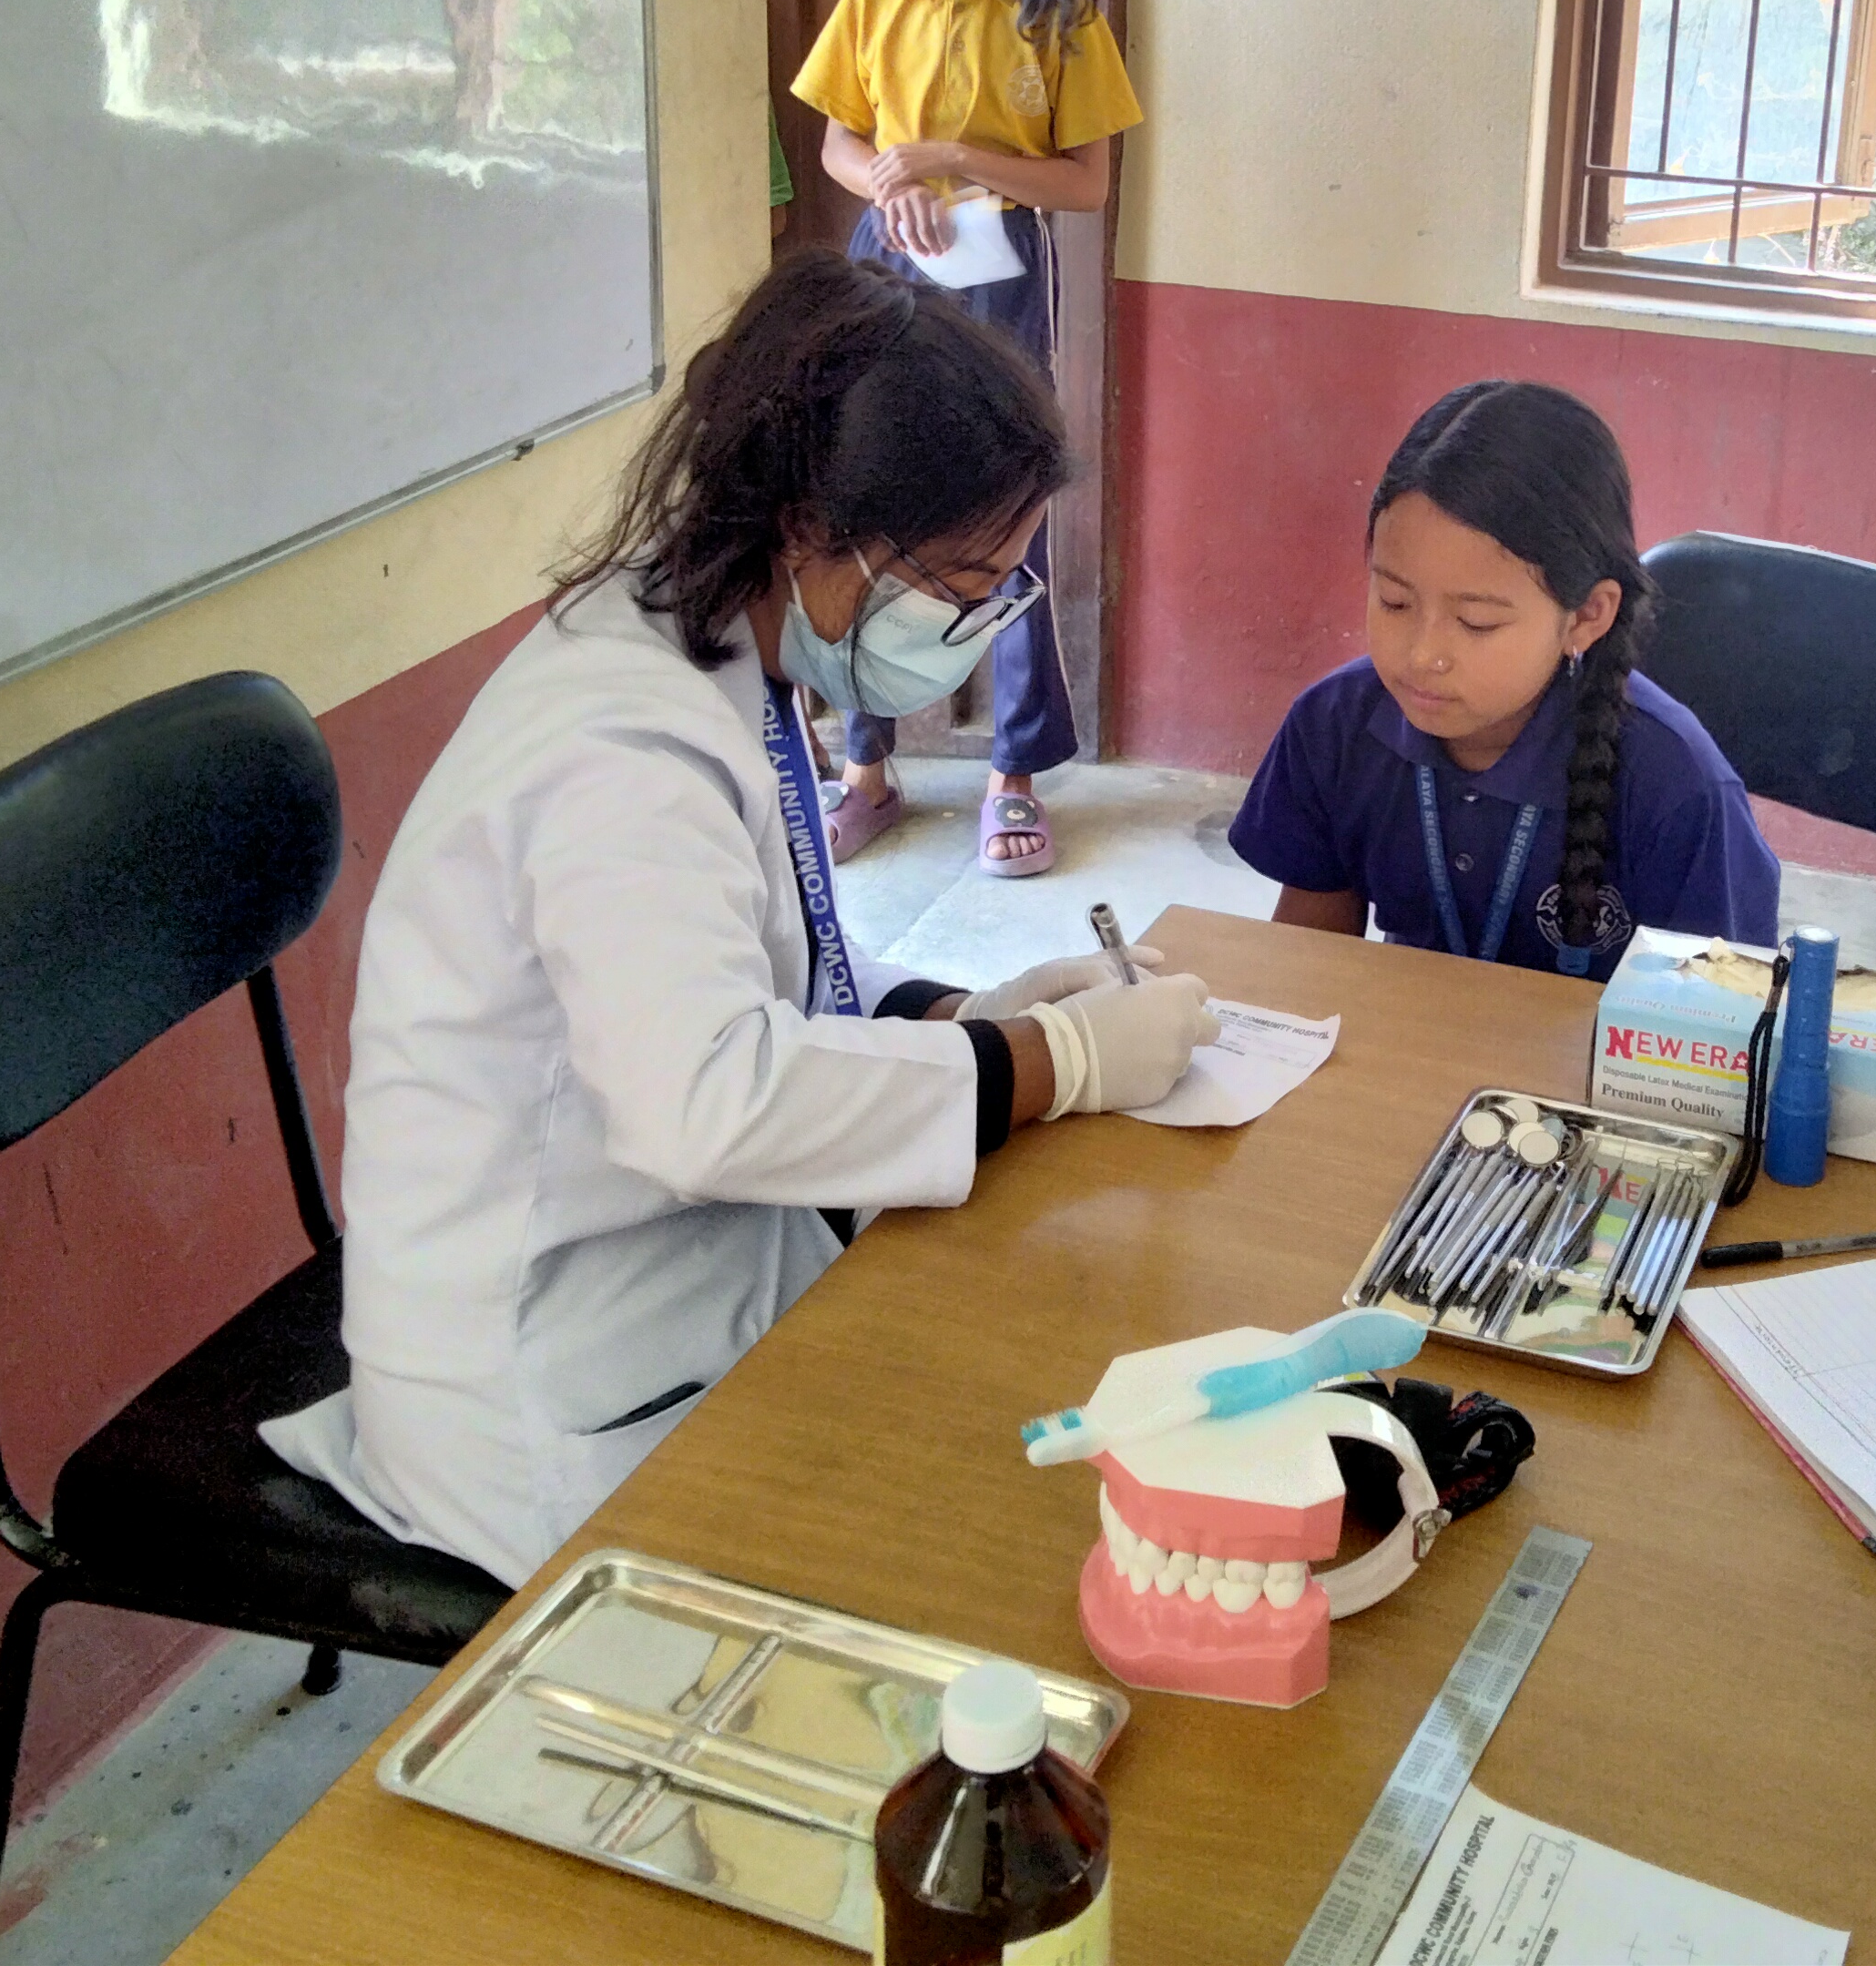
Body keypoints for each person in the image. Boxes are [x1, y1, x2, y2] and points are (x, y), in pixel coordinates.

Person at [260, 254, 1220, 1584]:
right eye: (959, 582)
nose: (977, 622)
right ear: (810, 528)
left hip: (678, 1263)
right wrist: (1050, 1065)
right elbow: (703, 1105)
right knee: (985, 1533)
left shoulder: (717, 638)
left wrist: (961, 1012)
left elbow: (769, 952)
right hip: (544, 1379)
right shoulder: (619, 753)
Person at [790, 0, 1141, 882]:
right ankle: (866, 768)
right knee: (863, 497)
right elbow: (839, 141)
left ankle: (1012, 773)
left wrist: (954, 157)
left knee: (1003, 508)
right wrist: (887, 185)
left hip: (1000, 286)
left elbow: (1085, 182)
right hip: (883, 277)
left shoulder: (1056, 12)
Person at [1229, 380, 1780, 982]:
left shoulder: (1679, 789)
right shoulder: (1333, 727)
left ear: (1586, 615)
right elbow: (1306, 971)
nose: (1423, 656)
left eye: (1476, 622)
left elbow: (1722, 1016)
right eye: (1394, 602)